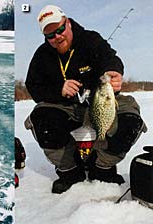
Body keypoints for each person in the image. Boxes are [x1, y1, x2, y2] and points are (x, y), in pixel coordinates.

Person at [24, 5, 147, 194]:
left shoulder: (90, 40)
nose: (57, 37)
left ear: (69, 24)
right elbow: (33, 86)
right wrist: (59, 90)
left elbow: (110, 58)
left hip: (100, 101)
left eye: (60, 29)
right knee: (42, 119)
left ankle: (103, 167)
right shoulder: (42, 55)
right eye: (50, 35)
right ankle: (70, 172)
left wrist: (113, 71)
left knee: (130, 122)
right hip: (66, 107)